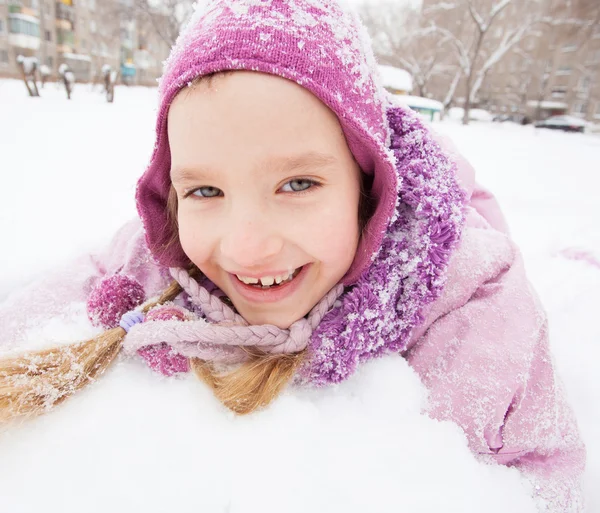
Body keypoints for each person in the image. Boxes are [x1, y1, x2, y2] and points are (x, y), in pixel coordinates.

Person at [0, 0, 584, 510]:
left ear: (367, 185)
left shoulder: (471, 293)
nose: (247, 246)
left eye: (298, 184)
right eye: (206, 190)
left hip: (448, 214)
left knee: (470, 199)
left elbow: (542, 473)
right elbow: (56, 294)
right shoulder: (166, 245)